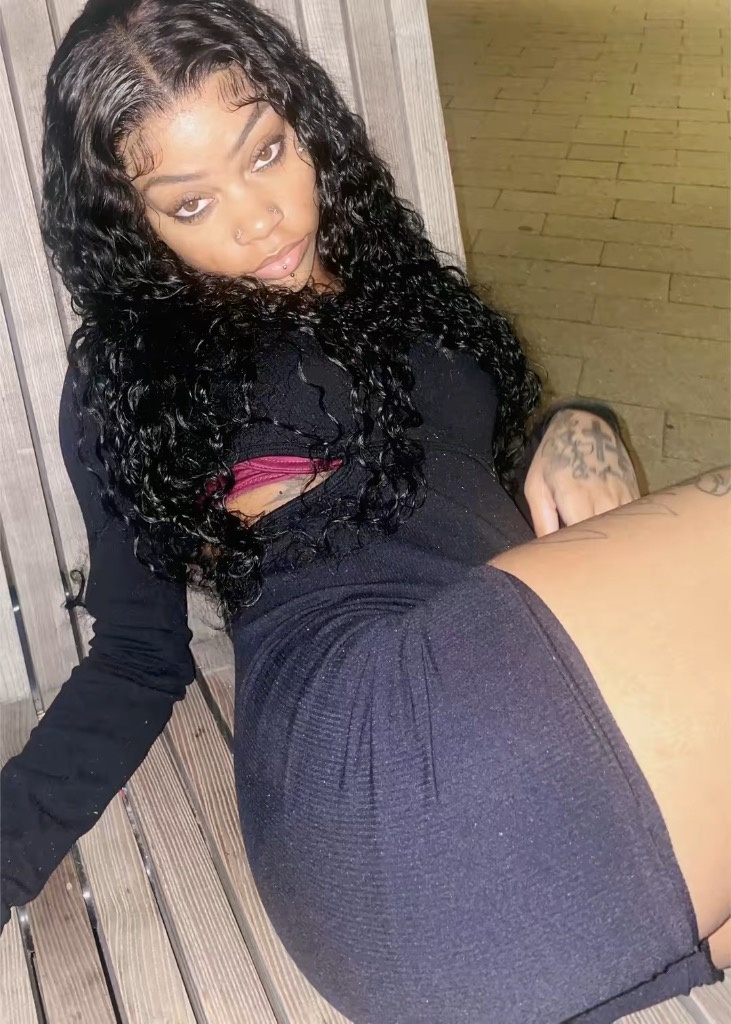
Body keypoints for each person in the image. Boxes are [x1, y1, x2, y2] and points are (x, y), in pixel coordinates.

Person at [1, 1, 728, 1021]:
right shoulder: (137, 379)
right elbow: (133, 661)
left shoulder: (390, 274)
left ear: (305, 122)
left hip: (516, 826)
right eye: (191, 204)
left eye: (266, 152)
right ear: (133, 224)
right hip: (374, 769)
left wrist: (582, 420)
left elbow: (463, 474)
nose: (261, 220)